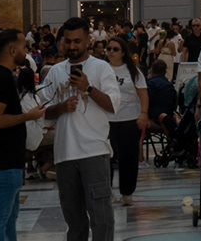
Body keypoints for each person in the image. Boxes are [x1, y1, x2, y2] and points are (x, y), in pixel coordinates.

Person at [40, 18, 121, 241]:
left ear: (88, 40)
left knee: (101, 217)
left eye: (77, 41)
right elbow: (43, 112)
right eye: (68, 41)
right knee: (74, 220)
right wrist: (60, 108)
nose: (72, 46)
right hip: (65, 154)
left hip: (94, 152)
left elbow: (113, 106)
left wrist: (88, 88)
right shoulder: (55, 71)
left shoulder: (101, 68)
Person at [0, 32, 48, 241]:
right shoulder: (1, 77)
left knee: (10, 215)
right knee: (1, 214)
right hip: (5, 156)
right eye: (24, 47)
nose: (27, 52)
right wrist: (29, 116)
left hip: (4, 154)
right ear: (12, 50)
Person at [101, 37, 148, 202]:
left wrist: (143, 113)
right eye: (109, 49)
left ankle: (127, 192)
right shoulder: (102, 69)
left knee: (128, 156)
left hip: (129, 118)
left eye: (115, 49)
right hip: (106, 119)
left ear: (123, 52)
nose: (111, 52)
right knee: (105, 156)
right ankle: (107, 191)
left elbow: (143, 94)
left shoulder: (133, 71)